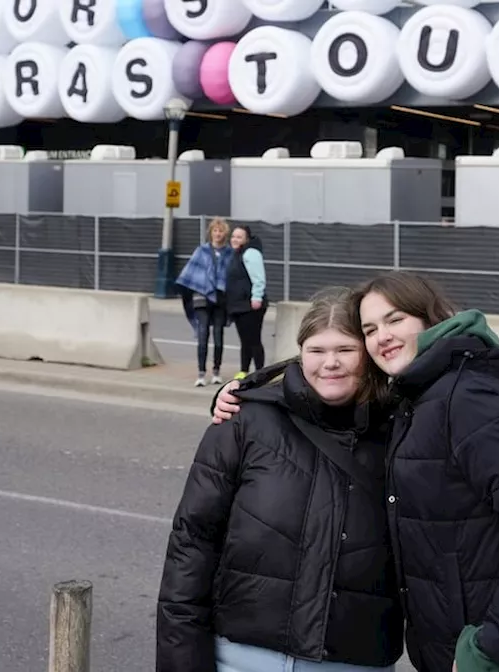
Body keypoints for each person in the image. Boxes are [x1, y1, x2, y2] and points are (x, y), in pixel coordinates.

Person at [212, 272, 499, 672]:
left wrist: (489, 648)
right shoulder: (416, 398)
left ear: (430, 318)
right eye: (370, 329)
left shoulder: (467, 397)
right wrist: (244, 389)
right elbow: (324, 368)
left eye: (395, 321)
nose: (382, 337)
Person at [158, 287, 403, 672]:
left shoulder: (402, 433)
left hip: (354, 662)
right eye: (317, 351)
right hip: (241, 659)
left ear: (369, 355)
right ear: (300, 354)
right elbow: (192, 544)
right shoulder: (245, 422)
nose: (330, 363)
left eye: (345, 350)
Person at [176, 217, 234, 387]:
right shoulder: (201, 250)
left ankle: (216, 371)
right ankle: (201, 373)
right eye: (215, 231)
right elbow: (190, 273)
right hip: (201, 298)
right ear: (211, 233)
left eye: (221, 231)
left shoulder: (230, 253)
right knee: (202, 336)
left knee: (218, 336)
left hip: (221, 300)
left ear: (225, 233)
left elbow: (232, 275)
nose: (218, 234)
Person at [225, 225, 268, 377]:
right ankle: (244, 370)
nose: (235, 239)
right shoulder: (236, 254)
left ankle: (260, 372)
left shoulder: (250, 253)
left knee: (254, 339)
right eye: (233, 236)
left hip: (250, 305)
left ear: (246, 239)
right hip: (238, 305)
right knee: (245, 340)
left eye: (239, 237)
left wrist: (256, 297)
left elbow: (259, 278)